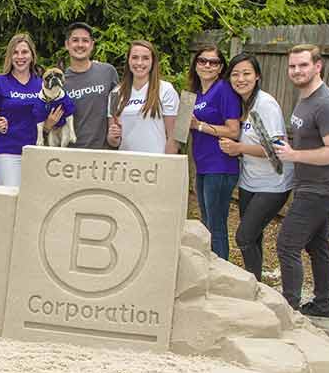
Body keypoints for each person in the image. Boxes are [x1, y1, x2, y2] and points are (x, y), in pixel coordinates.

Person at [274, 44, 329, 318]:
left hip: (321, 188)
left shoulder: (325, 104)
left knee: (287, 245)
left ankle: (288, 311)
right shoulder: (306, 98)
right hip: (310, 184)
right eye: (292, 66)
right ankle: (323, 305)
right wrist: (287, 147)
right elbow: (312, 139)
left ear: (318, 66)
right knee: (317, 245)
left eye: (303, 65)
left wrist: (294, 155)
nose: (296, 71)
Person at [218, 53, 294, 281]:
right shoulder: (243, 104)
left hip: (273, 183)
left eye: (246, 73)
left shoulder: (265, 105)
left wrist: (239, 148)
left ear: (257, 76)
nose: (240, 79)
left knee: (244, 237)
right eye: (235, 74)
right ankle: (256, 285)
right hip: (250, 181)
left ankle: (253, 285)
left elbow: (275, 150)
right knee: (254, 237)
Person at [187, 43, 242, 260]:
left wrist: (199, 125)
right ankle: (210, 268)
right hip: (203, 165)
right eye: (202, 61)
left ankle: (221, 273)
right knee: (206, 222)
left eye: (214, 62)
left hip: (220, 166)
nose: (207, 65)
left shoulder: (224, 90)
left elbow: (233, 130)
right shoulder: (197, 93)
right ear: (196, 64)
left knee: (216, 225)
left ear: (220, 68)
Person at [0, 33, 59, 187]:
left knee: (33, 201)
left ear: (32, 55)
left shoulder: (42, 85)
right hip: (6, 151)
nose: (20, 57)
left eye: (24, 52)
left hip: (36, 152)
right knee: (12, 198)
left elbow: (46, 122)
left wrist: (49, 124)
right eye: (15, 52)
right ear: (10, 56)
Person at [107, 40, 179, 154]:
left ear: (152, 62)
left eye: (145, 58)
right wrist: (113, 137)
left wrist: (167, 166)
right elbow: (114, 142)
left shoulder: (166, 90)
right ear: (128, 61)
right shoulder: (116, 93)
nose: (139, 63)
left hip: (156, 164)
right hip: (127, 166)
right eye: (135, 57)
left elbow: (173, 138)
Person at [63, 22, 119, 149]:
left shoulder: (108, 72)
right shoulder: (61, 81)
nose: (80, 45)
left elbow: (117, 110)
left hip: (105, 153)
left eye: (85, 40)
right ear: (67, 44)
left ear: (92, 45)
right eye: (75, 40)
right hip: (72, 154)